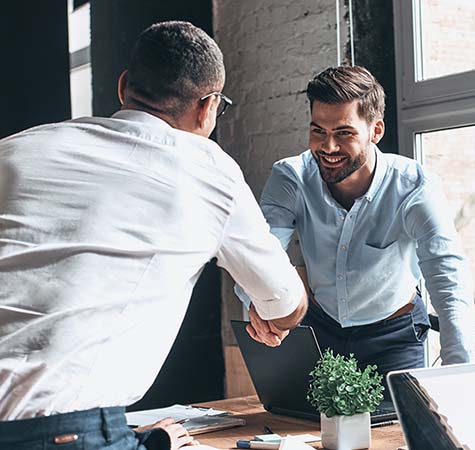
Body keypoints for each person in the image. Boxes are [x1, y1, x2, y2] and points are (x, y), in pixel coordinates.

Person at [0, 21, 307, 450]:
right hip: (66, 434)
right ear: (208, 108)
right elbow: (287, 306)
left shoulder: (15, 149)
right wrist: (271, 312)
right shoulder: (207, 169)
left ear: (124, 86)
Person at [237, 65, 475, 378]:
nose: (328, 147)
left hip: (394, 337)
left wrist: (461, 376)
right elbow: (259, 253)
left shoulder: (415, 187)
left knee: (399, 427)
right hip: (320, 328)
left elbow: (449, 279)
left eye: (344, 133)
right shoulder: (291, 177)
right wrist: (258, 303)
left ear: (375, 131)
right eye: (318, 131)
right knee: (303, 425)